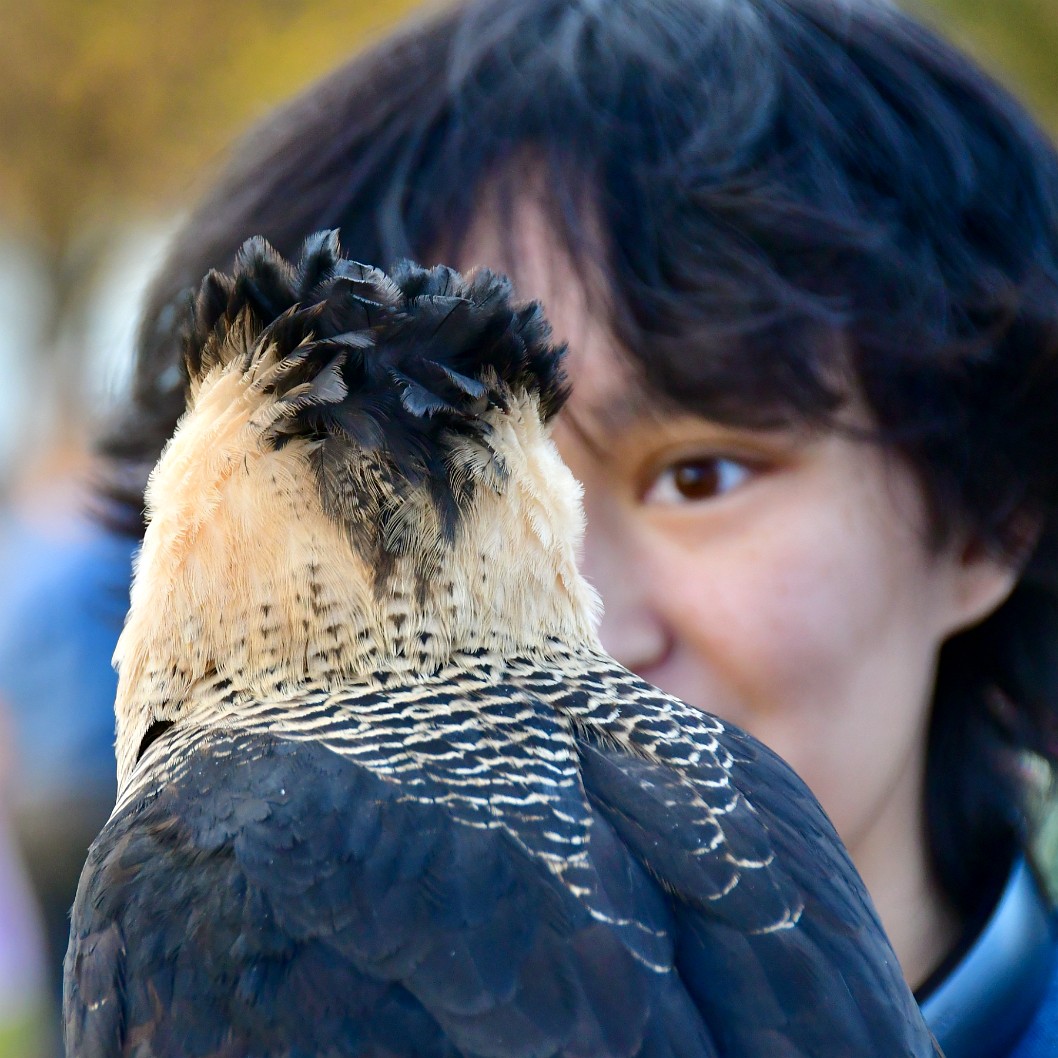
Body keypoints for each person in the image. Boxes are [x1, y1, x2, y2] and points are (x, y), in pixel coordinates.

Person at [95, 0, 1058, 1053]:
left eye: (700, 473)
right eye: (406, 509)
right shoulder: (218, 900)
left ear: (987, 510)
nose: (577, 620)